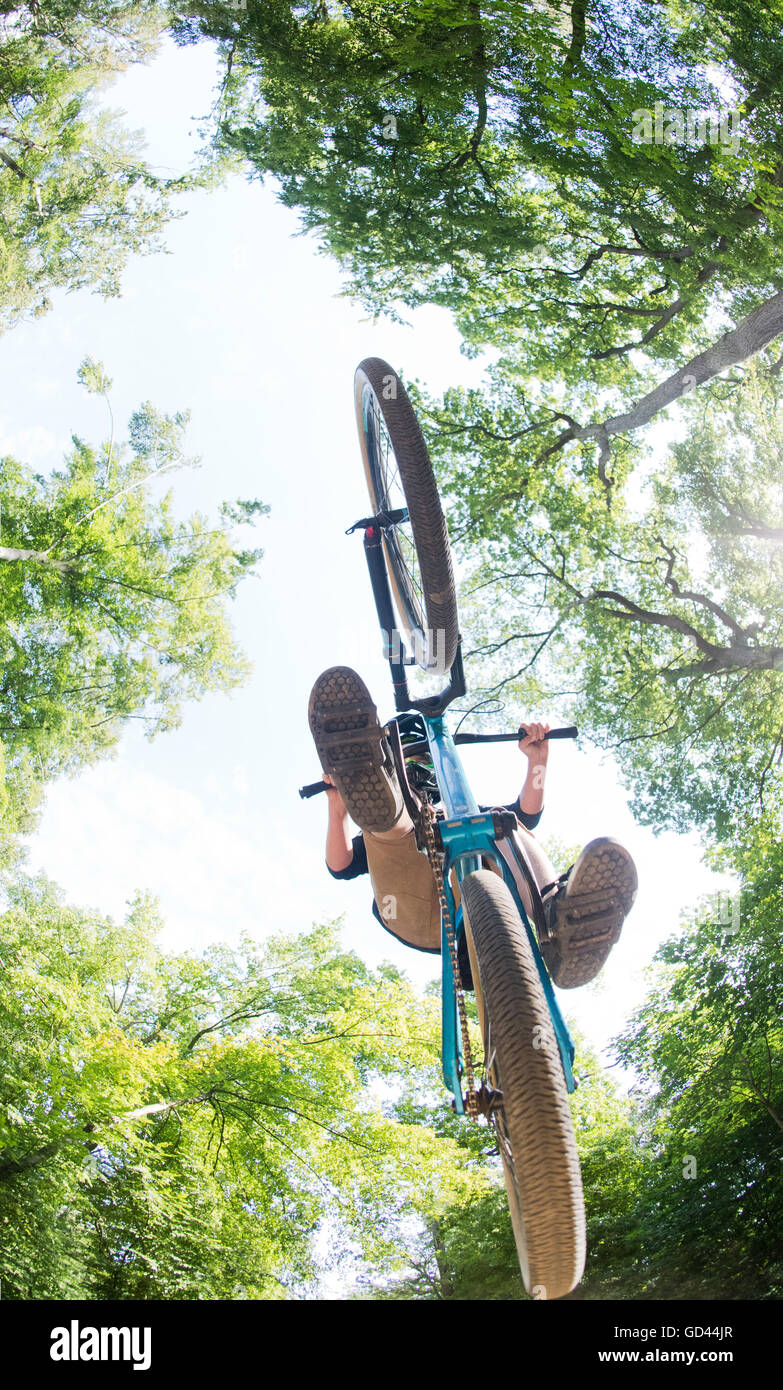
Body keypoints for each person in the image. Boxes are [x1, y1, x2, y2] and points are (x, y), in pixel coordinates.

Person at [309, 666, 637, 989]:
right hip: (414, 911)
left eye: (422, 761)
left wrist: (537, 761)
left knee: (501, 824)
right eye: (405, 764)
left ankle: (556, 922)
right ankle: (377, 790)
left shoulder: (467, 814)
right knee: (389, 829)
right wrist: (338, 808)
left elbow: (528, 814)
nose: (417, 770)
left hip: (489, 916)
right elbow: (341, 865)